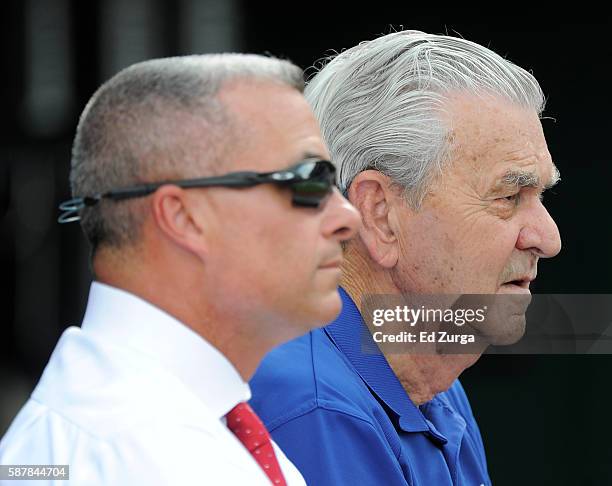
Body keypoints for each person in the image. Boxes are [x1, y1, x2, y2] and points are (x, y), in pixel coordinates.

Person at [0, 54, 360, 485]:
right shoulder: (150, 458)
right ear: (184, 218)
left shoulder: (162, 429)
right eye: (308, 180)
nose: (348, 216)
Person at [250, 30, 562, 485]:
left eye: (541, 196)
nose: (547, 238)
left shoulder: (433, 379)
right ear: (379, 215)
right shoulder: (314, 407)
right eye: (510, 195)